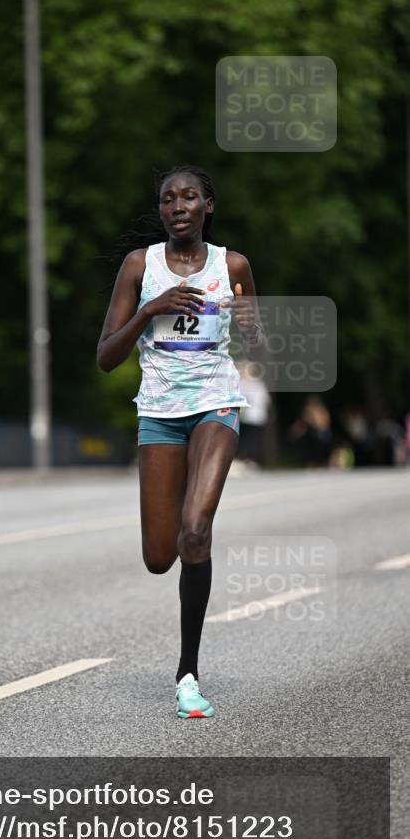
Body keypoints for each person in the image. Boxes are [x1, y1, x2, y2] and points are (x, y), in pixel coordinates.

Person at [97, 164, 264, 719]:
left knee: (197, 528)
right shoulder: (138, 266)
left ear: (208, 206)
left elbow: (258, 350)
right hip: (159, 415)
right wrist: (150, 309)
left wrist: (250, 324)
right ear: (162, 210)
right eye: (169, 199)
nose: (178, 206)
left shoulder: (231, 264)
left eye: (189, 196)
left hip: (215, 406)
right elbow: (105, 357)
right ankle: (182, 572)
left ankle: (187, 672)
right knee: (158, 556)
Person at [237, 360, 271, 468]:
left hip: (249, 416)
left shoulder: (247, 383)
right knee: (253, 439)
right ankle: (250, 459)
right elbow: (267, 401)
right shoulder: (259, 384)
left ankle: (246, 459)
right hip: (259, 416)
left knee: (247, 439)